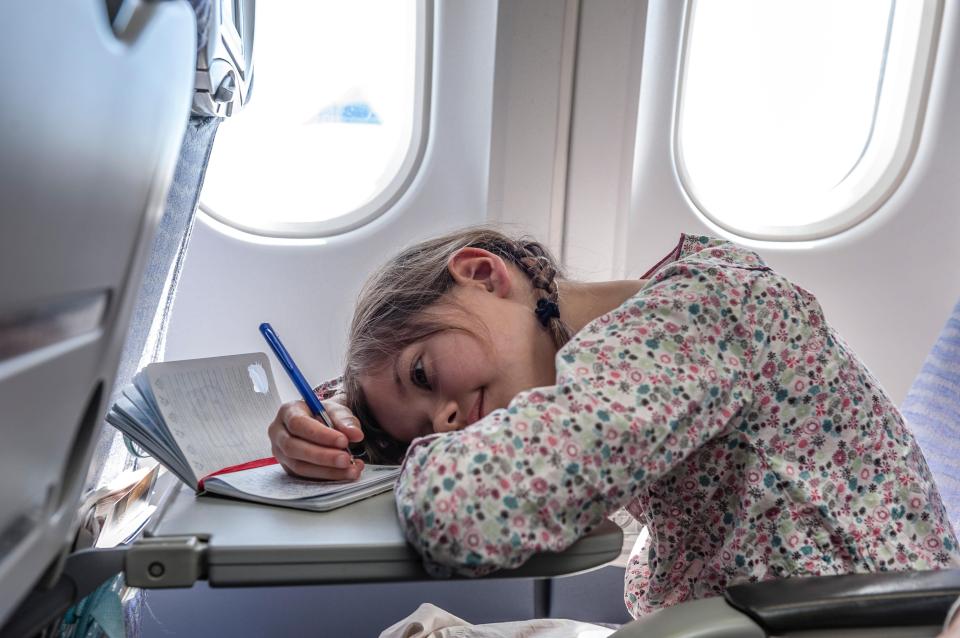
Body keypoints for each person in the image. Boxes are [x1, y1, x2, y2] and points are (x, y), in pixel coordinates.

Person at [267, 227, 960, 619]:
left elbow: (464, 511)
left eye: (423, 375)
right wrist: (336, 416)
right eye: (428, 434)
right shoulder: (631, 342)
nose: (447, 420)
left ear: (482, 272)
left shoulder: (686, 318)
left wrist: (411, 453)